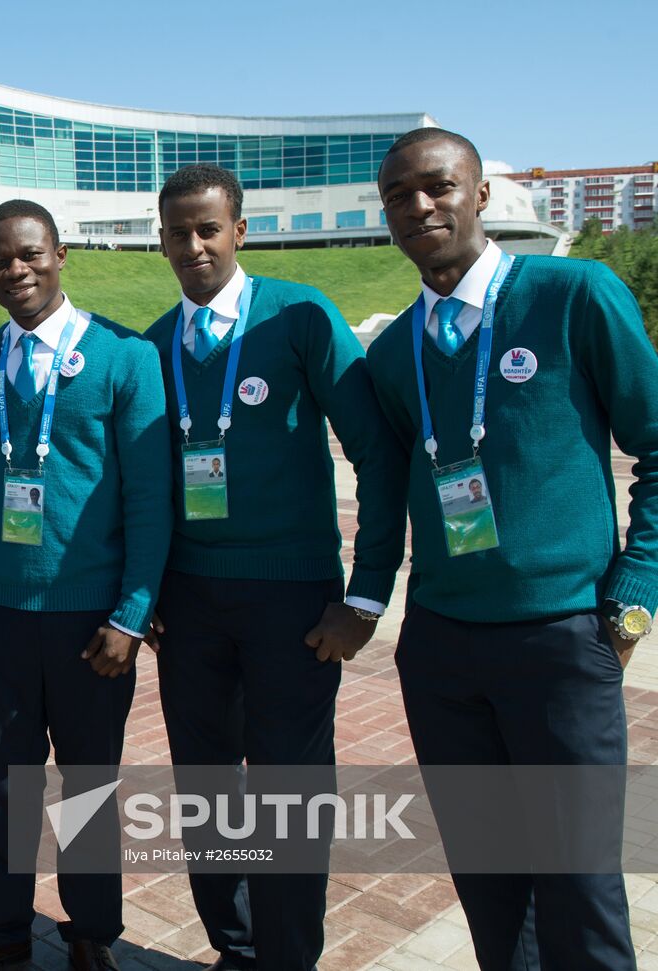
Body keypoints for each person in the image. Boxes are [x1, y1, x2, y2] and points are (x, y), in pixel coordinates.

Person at [368, 127, 656, 971]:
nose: (419, 206)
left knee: (582, 888)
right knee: (491, 887)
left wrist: (634, 587)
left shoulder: (576, 294)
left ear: (481, 195)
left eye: (438, 186)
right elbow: (387, 493)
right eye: (398, 196)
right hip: (443, 648)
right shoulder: (391, 353)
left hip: (563, 641)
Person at [143, 164, 405, 971]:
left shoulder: (300, 318)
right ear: (162, 240)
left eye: (208, 229)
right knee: (206, 787)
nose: (194, 246)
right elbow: (137, 483)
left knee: (289, 792)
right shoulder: (153, 343)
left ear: (240, 231)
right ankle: (237, 943)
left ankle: (290, 956)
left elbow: (379, 453)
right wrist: (145, 591)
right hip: (189, 602)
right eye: (178, 232)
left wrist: (364, 596)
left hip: (293, 599)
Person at [0, 201, 170, 971]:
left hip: (93, 622)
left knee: (88, 788)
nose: (17, 270)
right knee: (6, 784)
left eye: (30, 254)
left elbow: (149, 497)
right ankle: (1, 929)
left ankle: (92, 932)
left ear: (61, 253)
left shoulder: (123, 356)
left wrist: (133, 612)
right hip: (2, 613)